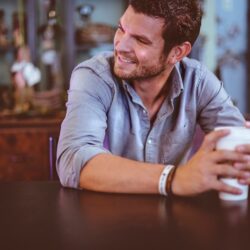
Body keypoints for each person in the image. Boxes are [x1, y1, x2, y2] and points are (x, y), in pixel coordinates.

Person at [57, 0, 250, 197]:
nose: (120, 46)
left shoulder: (198, 82)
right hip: (108, 215)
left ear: (177, 52)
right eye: (121, 29)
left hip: (177, 219)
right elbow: (73, 161)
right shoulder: (93, 76)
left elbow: (240, 146)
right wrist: (174, 178)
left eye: (141, 40)